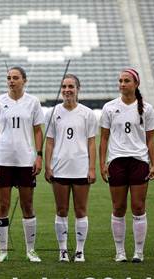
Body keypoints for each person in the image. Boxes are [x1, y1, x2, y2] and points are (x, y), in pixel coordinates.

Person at [99, 68, 154, 263]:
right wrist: (102, 164)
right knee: (118, 207)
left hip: (139, 162)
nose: (122, 84)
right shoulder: (109, 108)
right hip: (117, 161)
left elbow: (150, 140)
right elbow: (104, 139)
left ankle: (138, 252)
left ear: (136, 84)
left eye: (126, 81)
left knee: (138, 206)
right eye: (120, 81)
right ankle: (120, 252)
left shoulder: (147, 109)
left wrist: (153, 165)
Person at [0, 66, 44, 263]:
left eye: (15, 78)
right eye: (9, 78)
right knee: (3, 205)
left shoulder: (33, 102)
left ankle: (31, 250)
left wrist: (38, 156)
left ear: (24, 80)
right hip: (3, 161)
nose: (11, 81)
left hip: (26, 161)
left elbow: (38, 130)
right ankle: (2, 250)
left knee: (27, 205)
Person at [44, 74, 98, 263]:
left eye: (71, 86)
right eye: (64, 86)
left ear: (78, 89)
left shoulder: (87, 113)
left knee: (81, 210)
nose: (67, 90)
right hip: (59, 168)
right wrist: (47, 166)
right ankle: (63, 250)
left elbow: (92, 143)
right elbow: (49, 142)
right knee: (61, 210)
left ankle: (80, 250)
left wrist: (92, 168)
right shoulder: (52, 112)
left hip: (81, 168)